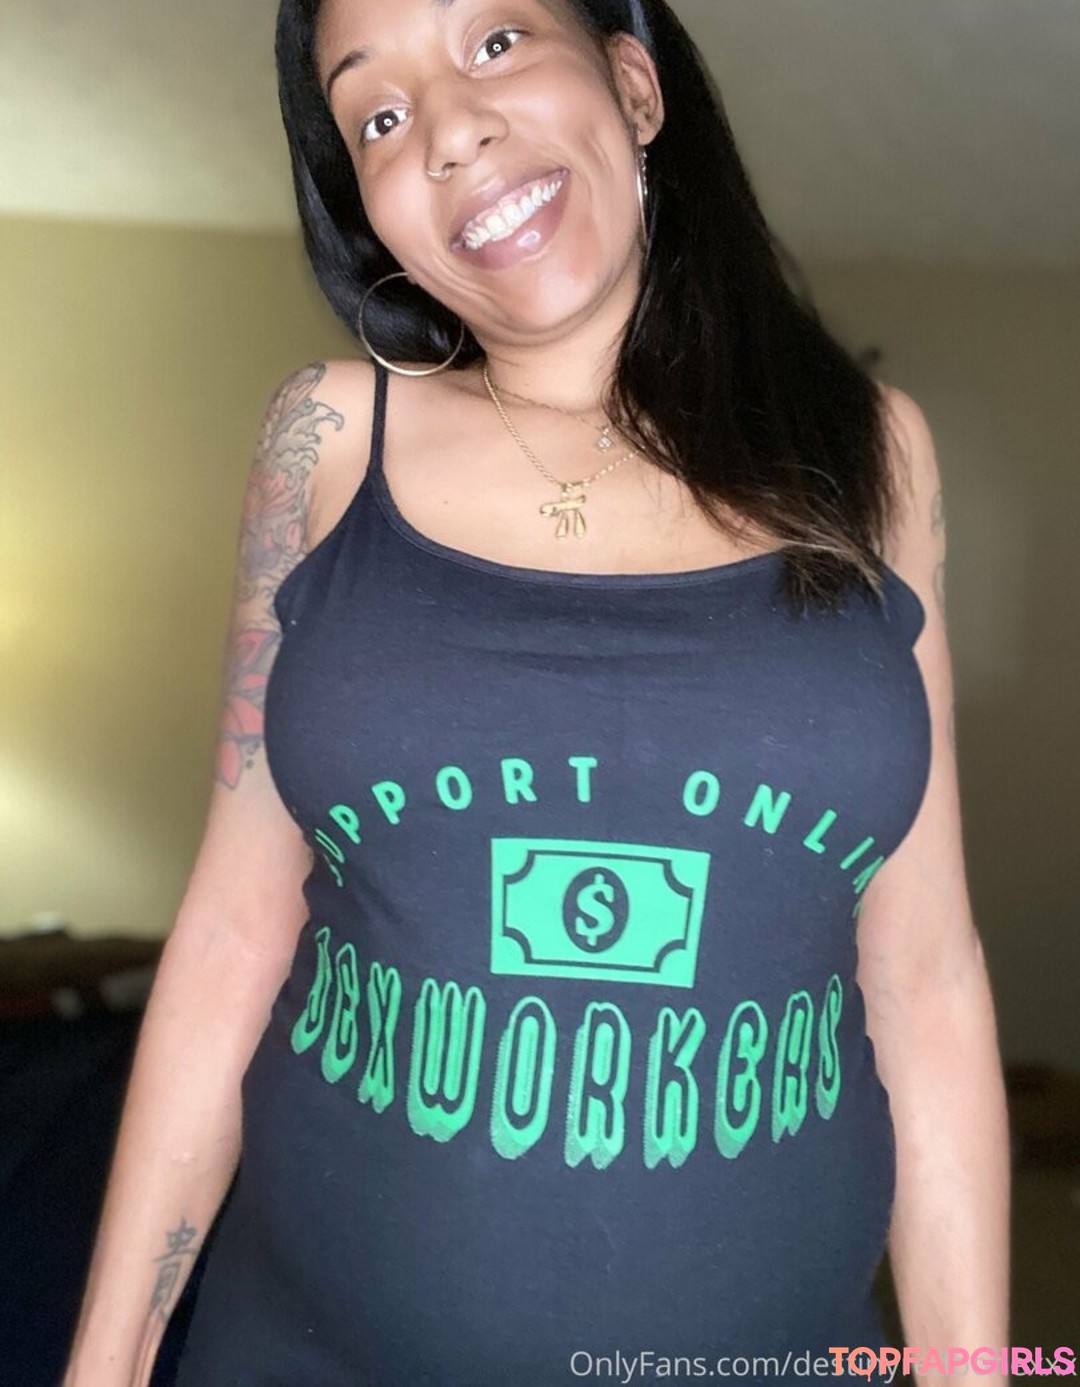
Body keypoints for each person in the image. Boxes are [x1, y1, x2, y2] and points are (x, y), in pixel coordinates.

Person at [63, 0, 1010, 1383]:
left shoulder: (873, 453)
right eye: (379, 115)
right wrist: (106, 1363)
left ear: (636, 85)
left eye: (497, 41)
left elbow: (924, 973)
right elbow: (230, 933)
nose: (448, 132)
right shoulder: (325, 442)